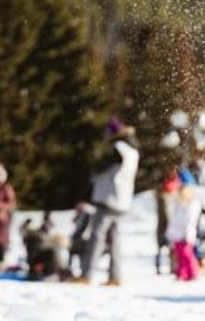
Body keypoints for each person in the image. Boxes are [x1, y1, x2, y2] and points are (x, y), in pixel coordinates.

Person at [78, 117, 140, 286]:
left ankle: (87, 273)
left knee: (96, 237)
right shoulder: (132, 150)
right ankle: (115, 275)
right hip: (122, 200)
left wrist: (94, 167)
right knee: (114, 239)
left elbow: (101, 167)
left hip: (109, 198)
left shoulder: (118, 149)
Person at [166, 181, 203, 281]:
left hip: (186, 233)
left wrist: (187, 234)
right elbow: (173, 219)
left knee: (187, 254)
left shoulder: (192, 204)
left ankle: (193, 273)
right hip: (176, 233)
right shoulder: (177, 203)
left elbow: (190, 220)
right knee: (179, 255)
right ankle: (182, 273)